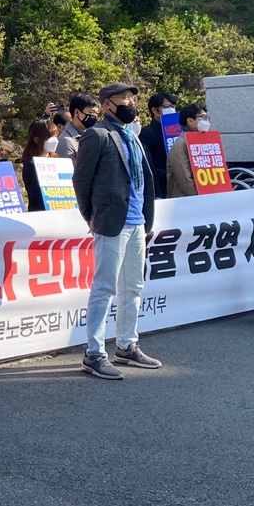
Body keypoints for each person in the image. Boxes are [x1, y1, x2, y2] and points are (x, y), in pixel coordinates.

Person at [71, 82, 161, 378]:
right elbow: (81, 181)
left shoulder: (133, 136)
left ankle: (126, 345)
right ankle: (94, 353)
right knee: (104, 288)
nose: (131, 102)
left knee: (133, 287)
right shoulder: (97, 135)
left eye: (132, 97)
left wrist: (147, 219)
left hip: (137, 222)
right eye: (124, 98)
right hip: (111, 222)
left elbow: (144, 180)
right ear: (107, 104)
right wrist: (91, 217)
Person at [21, 118, 66, 212]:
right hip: (40, 213)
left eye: (56, 136)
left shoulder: (57, 161)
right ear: (36, 139)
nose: (55, 140)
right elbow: (35, 193)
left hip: (60, 211)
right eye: (50, 137)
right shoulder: (31, 164)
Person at [165, 104, 207, 199]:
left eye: (207, 117)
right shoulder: (180, 145)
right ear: (190, 121)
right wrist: (203, 198)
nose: (206, 120)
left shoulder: (206, 143)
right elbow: (185, 180)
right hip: (186, 200)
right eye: (203, 117)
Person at [141, 92, 176, 200]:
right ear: (155, 110)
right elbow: (147, 165)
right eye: (167, 107)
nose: (171, 109)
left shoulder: (179, 131)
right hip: (160, 189)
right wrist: (169, 174)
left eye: (173, 106)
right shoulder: (147, 133)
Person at [58, 94, 100, 164]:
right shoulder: (65, 141)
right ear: (77, 112)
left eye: (97, 113)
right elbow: (67, 169)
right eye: (91, 112)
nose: (95, 116)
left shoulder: (92, 136)